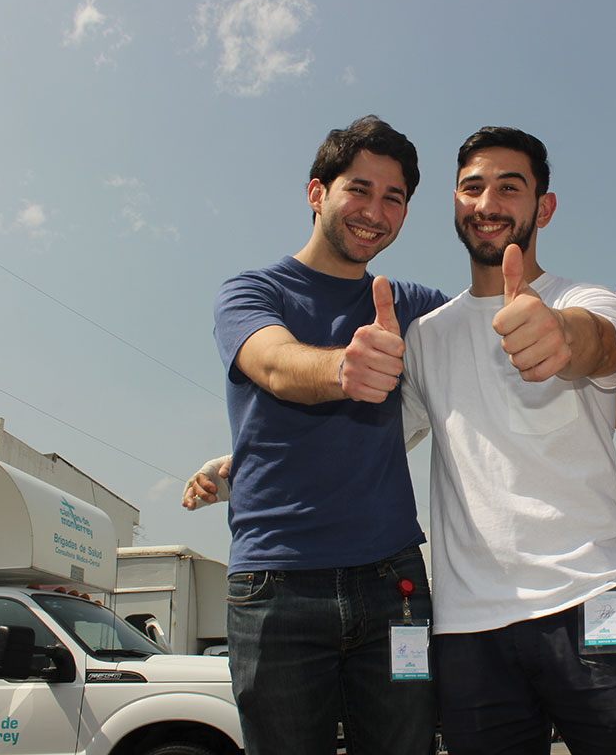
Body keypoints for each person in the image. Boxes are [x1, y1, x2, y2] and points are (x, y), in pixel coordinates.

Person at [400, 126, 616, 755]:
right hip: (469, 629)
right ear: (454, 202)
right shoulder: (427, 337)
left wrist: (558, 334)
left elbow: (598, 344)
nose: (488, 203)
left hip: (590, 602)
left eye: (509, 187)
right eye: (472, 187)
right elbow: (375, 442)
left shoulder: (589, 299)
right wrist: (248, 459)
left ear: (543, 208)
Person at [208, 115, 447, 755]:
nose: (375, 211)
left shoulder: (414, 303)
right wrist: (344, 368)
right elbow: (276, 365)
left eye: (393, 198)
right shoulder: (251, 291)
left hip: (394, 587)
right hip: (276, 591)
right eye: (358, 190)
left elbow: (490, 342)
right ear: (317, 192)